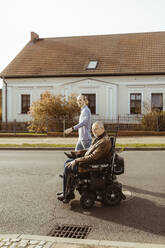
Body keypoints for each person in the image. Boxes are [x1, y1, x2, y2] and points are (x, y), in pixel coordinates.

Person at [57, 121, 112, 203]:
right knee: (67, 163)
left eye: (96, 129)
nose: (94, 131)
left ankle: (68, 194)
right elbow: (90, 150)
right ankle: (67, 191)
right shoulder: (100, 138)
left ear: (102, 129)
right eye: (92, 129)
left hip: (93, 165)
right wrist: (76, 153)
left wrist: (76, 160)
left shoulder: (104, 141)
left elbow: (93, 157)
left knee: (68, 167)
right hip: (91, 161)